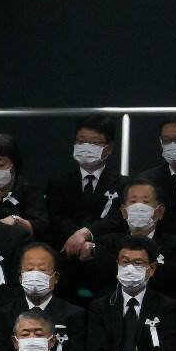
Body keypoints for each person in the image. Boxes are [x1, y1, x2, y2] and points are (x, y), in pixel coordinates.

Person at [48, 116, 129, 291]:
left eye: (94, 143)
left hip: (105, 266)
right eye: (81, 141)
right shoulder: (59, 182)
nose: (87, 147)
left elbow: (118, 220)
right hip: (66, 263)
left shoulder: (123, 184)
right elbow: (57, 218)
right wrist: (79, 241)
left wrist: (87, 235)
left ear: (109, 148)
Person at [0, 241, 86, 351]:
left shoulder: (74, 315)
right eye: (29, 269)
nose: (35, 275)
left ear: (56, 278)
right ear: (20, 277)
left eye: (42, 270)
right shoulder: (3, 314)